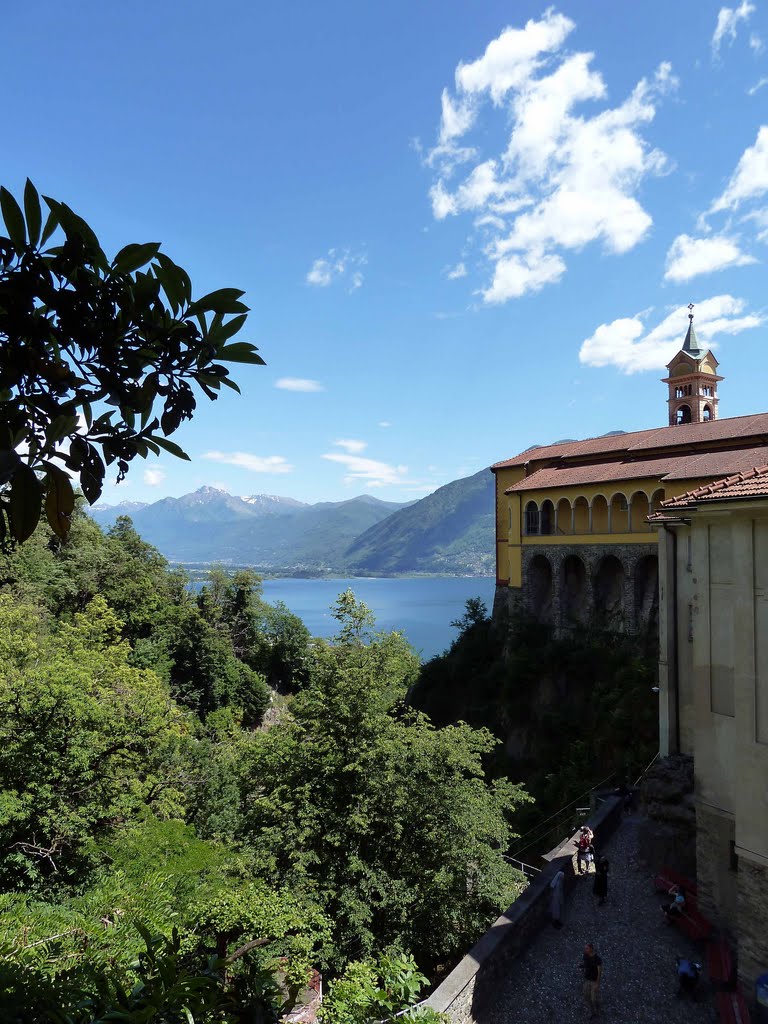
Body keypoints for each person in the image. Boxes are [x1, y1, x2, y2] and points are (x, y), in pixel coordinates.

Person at [582, 942, 602, 1018]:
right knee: (586, 996)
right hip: (587, 980)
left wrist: (597, 983)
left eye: (587, 948)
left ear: (591, 949)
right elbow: (585, 964)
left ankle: (596, 1009)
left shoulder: (597, 959)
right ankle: (591, 1012)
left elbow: (599, 972)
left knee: (593, 999)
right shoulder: (585, 956)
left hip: (594, 981)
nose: (585, 950)